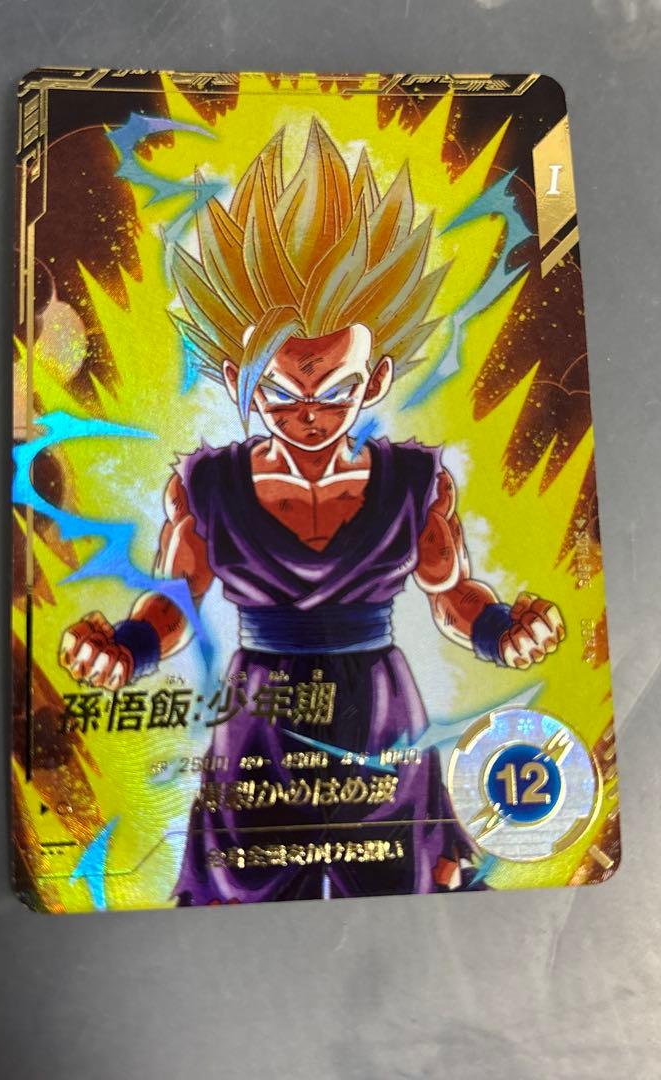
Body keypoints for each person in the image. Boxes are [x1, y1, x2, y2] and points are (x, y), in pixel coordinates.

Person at [60, 120, 564, 902]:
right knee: (240, 892)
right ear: (240, 377)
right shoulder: (209, 484)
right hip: (261, 718)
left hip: (381, 715)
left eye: (334, 393)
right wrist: (124, 649)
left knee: (400, 891)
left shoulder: (414, 481)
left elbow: (450, 593)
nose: (308, 416)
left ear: (376, 380)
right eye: (280, 393)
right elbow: (178, 595)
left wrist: (503, 630)